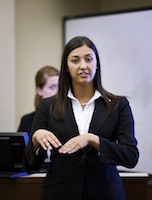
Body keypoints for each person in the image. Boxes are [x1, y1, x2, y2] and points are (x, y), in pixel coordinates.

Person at [22, 36, 139, 200]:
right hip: (60, 193)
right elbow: (29, 166)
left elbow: (130, 156)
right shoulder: (48, 106)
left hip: (105, 192)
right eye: (75, 60)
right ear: (67, 67)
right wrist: (35, 140)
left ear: (96, 64)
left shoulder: (118, 105)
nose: (83, 66)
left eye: (89, 59)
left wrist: (93, 140)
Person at [17, 66, 60, 134]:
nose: (58, 91)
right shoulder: (27, 120)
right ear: (39, 90)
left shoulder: (67, 117)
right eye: (52, 87)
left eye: (60, 87)